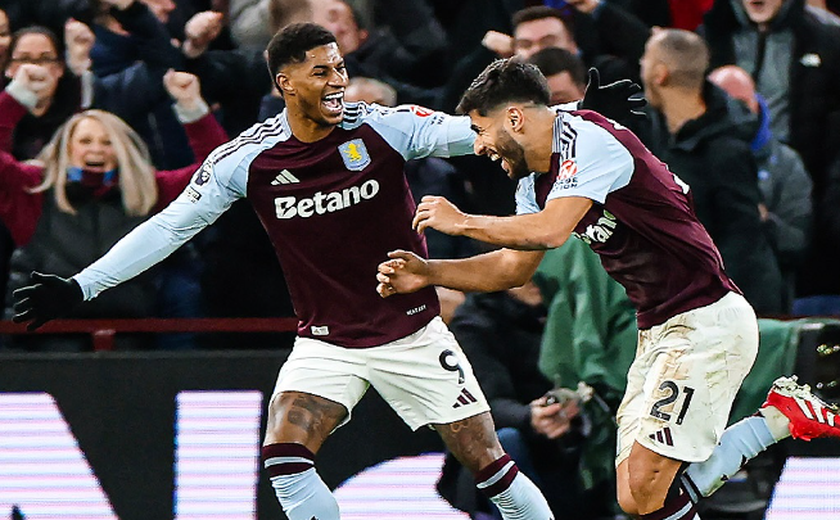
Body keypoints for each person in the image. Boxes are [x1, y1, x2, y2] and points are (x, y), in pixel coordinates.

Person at [11, 23, 579, 519]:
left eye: (339, 68)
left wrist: (580, 120)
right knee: (285, 463)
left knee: (490, 468)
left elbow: (487, 132)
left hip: (411, 332)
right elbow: (168, 227)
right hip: (325, 342)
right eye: (320, 71)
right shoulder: (246, 159)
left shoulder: (386, 127)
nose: (337, 81)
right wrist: (82, 285)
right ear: (285, 83)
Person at [375, 57, 840, 520]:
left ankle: (777, 421)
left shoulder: (588, 140)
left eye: (480, 129)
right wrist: (430, 272)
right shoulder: (536, 183)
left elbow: (552, 231)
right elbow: (511, 270)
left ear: (514, 118)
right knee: (637, 499)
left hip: (704, 320)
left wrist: (462, 222)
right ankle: (783, 416)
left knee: (648, 486)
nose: (479, 147)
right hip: (657, 331)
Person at [1, 66, 226, 350]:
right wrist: (16, 97)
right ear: (66, 149)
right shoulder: (34, 190)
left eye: (108, 142)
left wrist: (192, 107)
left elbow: (218, 174)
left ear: (122, 152)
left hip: (134, 341)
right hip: (46, 343)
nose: (97, 149)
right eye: (85, 141)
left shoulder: (149, 191)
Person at [635, 29, 784, 316]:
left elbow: (742, 238)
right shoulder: (654, 136)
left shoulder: (725, 150)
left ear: (660, 74)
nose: (641, 65)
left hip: (732, 306)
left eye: (645, 59)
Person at [708, 64, 813, 313]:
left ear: (757, 103)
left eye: (743, 103)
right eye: (725, 102)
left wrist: (764, 220)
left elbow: (798, 242)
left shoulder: (786, 164)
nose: (735, 112)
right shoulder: (686, 158)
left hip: (764, 303)